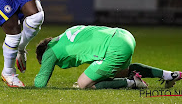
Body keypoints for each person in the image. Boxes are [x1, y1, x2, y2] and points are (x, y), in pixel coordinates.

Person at [35, 25, 182, 89]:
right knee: (121, 71)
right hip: (124, 35)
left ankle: (132, 83)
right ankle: (168, 75)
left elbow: (40, 83)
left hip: (115, 47)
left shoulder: (50, 51)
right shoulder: (68, 33)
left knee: (83, 84)